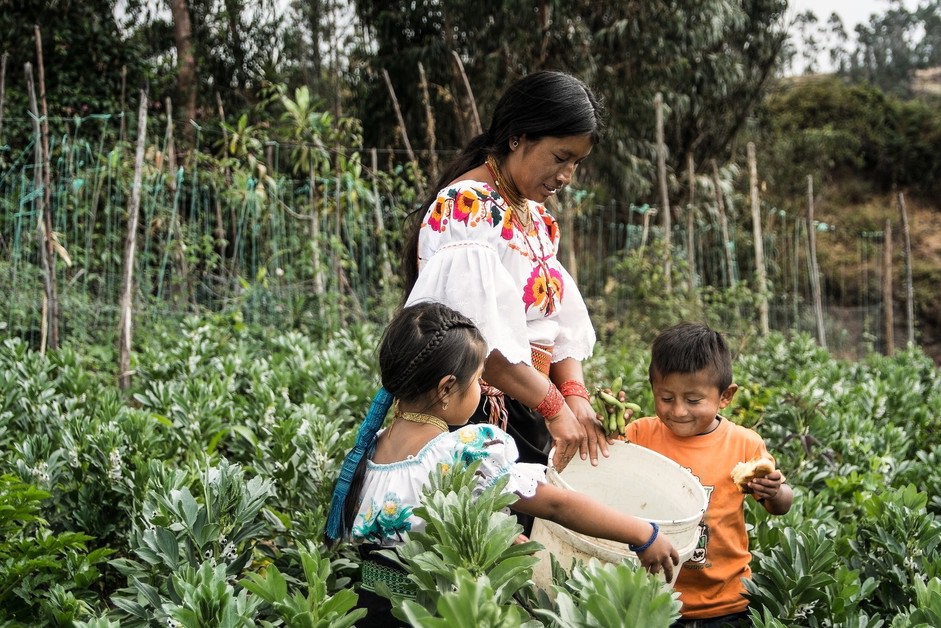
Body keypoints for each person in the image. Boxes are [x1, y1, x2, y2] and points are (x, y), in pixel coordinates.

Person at [325, 302, 679, 627]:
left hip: (372, 613)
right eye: (479, 379)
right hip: (438, 614)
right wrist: (641, 534)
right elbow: (557, 504)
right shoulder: (463, 452)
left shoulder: (369, 450)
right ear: (448, 388)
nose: (481, 388)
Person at [401, 70, 607, 480]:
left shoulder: (537, 218)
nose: (566, 176)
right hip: (478, 413)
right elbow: (477, 346)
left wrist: (574, 395)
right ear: (518, 137)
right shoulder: (469, 207)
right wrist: (553, 405)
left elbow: (554, 321)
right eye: (560, 157)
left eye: (577, 163)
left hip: (525, 404)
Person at [624, 322, 794, 627]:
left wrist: (775, 490)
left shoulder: (744, 444)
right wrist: (605, 431)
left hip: (727, 602)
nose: (678, 411)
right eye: (665, 398)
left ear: (725, 396)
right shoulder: (639, 435)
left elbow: (779, 506)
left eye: (693, 400)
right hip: (652, 599)